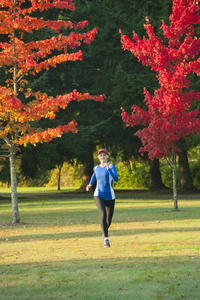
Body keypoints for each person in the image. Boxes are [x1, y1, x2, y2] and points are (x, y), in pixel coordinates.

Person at [86, 149, 118, 248]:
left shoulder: (112, 167)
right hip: (98, 194)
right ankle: (106, 239)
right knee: (103, 213)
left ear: (107, 156)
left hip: (110, 196)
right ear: (98, 157)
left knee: (109, 220)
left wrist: (109, 170)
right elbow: (94, 176)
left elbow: (116, 179)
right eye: (101, 155)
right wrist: (90, 184)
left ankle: (104, 232)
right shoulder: (96, 168)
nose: (102, 157)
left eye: (104, 155)